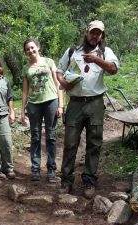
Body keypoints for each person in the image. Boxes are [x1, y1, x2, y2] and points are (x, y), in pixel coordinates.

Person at [56, 20, 119, 198]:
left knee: (94, 143)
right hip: (75, 103)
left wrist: (96, 60)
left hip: (95, 103)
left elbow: (114, 69)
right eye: (92, 32)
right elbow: (59, 70)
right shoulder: (72, 51)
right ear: (87, 33)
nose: (95, 36)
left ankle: (89, 180)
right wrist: (63, 83)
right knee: (70, 143)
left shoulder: (106, 52)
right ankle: (66, 180)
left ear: (102, 36)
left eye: (98, 33)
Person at [21, 38, 63, 183]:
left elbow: (58, 84)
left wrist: (61, 105)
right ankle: (35, 170)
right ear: (26, 52)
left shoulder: (49, 62)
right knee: (35, 137)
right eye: (27, 49)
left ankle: (51, 170)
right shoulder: (26, 68)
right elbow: (25, 91)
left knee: (51, 136)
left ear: (38, 47)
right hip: (34, 104)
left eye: (32, 47)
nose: (30, 51)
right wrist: (22, 111)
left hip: (51, 101)